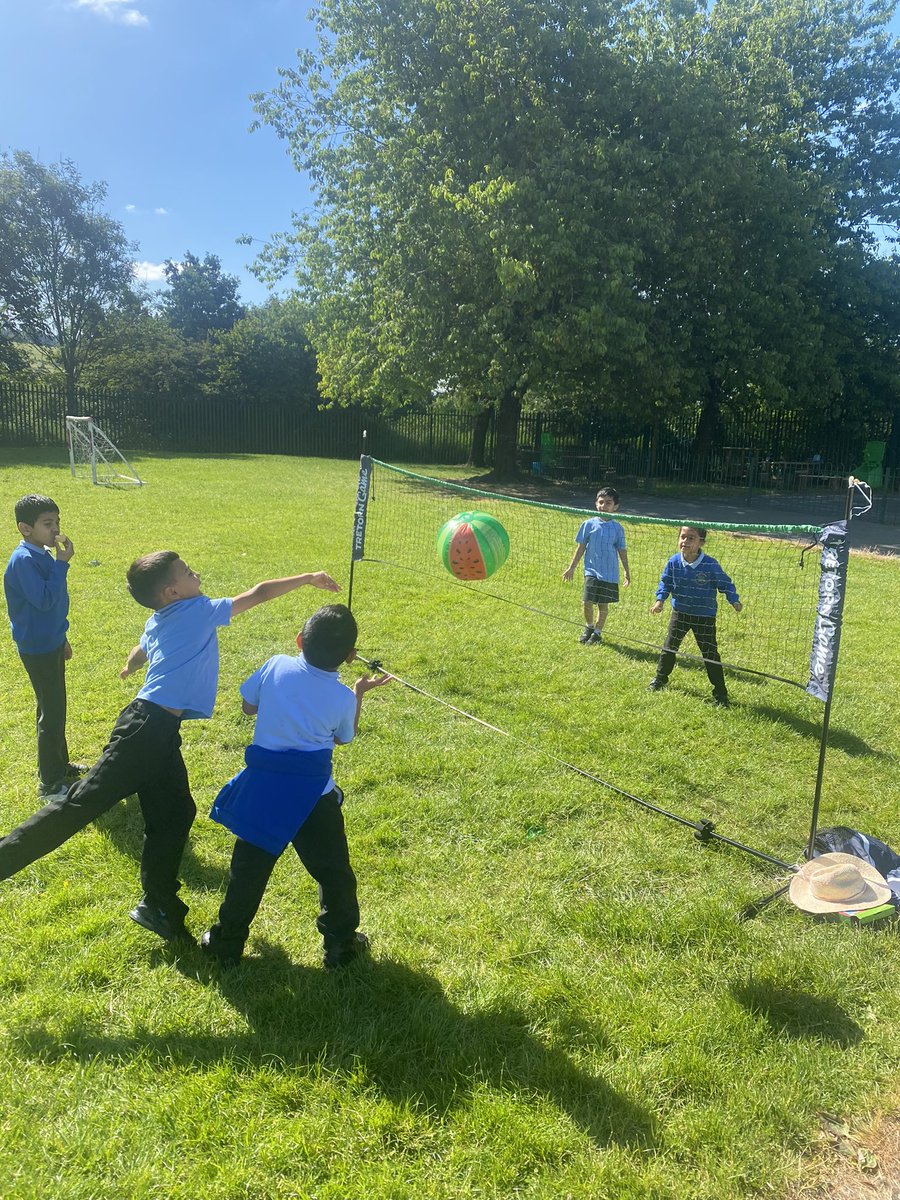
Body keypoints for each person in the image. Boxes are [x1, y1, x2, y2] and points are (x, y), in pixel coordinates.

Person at [0, 551, 340, 943]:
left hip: (158, 730)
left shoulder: (159, 616)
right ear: (172, 591)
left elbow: (142, 647)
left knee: (176, 812)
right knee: (80, 805)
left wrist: (131, 664)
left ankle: (158, 905)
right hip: (145, 729)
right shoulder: (197, 610)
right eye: (186, 571)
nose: (195, 572)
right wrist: (308, 577)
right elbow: (259, 593)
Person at [201, 603, 392, 969]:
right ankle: (340, 947)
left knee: (248, 872)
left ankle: (226, 943)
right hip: (312, 799)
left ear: (299, 640)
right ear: (350, 656)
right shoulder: (341, 697)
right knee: (333, 872)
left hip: (265, 793)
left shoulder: (276, 664)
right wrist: (358, 693)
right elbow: (343, 738)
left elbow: (247, 706)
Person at [4, 494, 85, 800]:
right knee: (51, 713)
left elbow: (53, 609)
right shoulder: (25, 560)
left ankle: (59, 765)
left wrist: (61, 636)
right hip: (37, 648)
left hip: (49, 642)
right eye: (47, 524)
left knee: (54, 708)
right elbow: (45, 599)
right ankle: (49, 783)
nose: (55, 529)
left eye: (57, 522)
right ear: (25, 528)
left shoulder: (41, 554)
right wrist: (62, 565)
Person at [647, 525, 742, 707]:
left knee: (709, 654)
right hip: (680, 613)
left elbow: (725, 583)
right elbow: (665, 583)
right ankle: (659, 679)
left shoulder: (710, 565)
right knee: (669, 647)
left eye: (691, 538)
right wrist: (660, 601)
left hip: (704, 616)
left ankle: (720, 694)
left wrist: (734, 600)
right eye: (683, 537)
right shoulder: (673, 562)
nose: (685, 541)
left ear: (701, 543)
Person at [562, 486, 630, 644]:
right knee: (586, 602)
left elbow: (622, 551)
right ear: (595, 503)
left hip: (609, 573)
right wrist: (571, 567)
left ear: (615, 507)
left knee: (603, 605)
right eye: (601, 502)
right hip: (591, 571)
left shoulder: (617, 528)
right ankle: (589, 627)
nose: (603, 506)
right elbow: (580, 548)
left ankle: (597, 633)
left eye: (608, 503)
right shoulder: (588, 525)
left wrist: (627, 571)